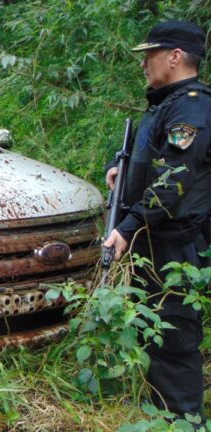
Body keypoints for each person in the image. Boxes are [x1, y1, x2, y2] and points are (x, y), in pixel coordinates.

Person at [103, 20, 211, 419]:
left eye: (150, 55)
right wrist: (119, 169)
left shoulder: (193, 106)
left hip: (177, 246)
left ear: (176, 56)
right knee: (155, 333)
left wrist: (127, 227)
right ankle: (161, 413)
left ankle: (183, 420)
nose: (144, 64)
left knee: (175, 338)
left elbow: (173, 181)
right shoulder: (167, 102)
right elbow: (148, 157)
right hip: (155, 240)